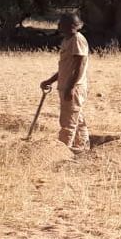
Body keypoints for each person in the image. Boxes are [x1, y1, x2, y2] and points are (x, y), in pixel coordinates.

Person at [39, 12, 91, 151]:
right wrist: (50, 80)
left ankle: (62, 151)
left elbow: (79, 65)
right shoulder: (68, 40)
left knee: (67, 122)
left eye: (62, 24)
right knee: (77, 119)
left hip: (74, 87)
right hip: (66, 86)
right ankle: (82, 147)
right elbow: (66, 67)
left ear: (71, 26)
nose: (59, 26)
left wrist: (71, 87)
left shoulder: (77, 39)